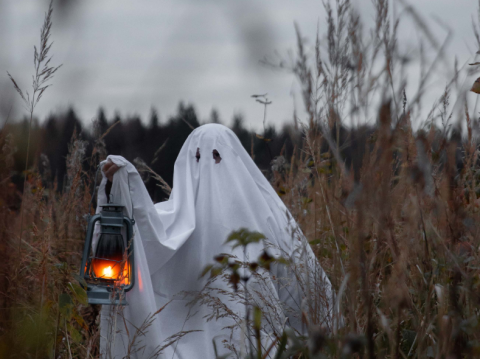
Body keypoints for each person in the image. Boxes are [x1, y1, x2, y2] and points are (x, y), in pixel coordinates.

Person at [95, 123, 334, 359]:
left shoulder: (266, 218)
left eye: (216, 156)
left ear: (234, 160)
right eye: (198, 157)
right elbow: (143, 235)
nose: (208, 166)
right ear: (187, 164)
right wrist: (122, 184)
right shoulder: (172, 223)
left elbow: (300, 281)